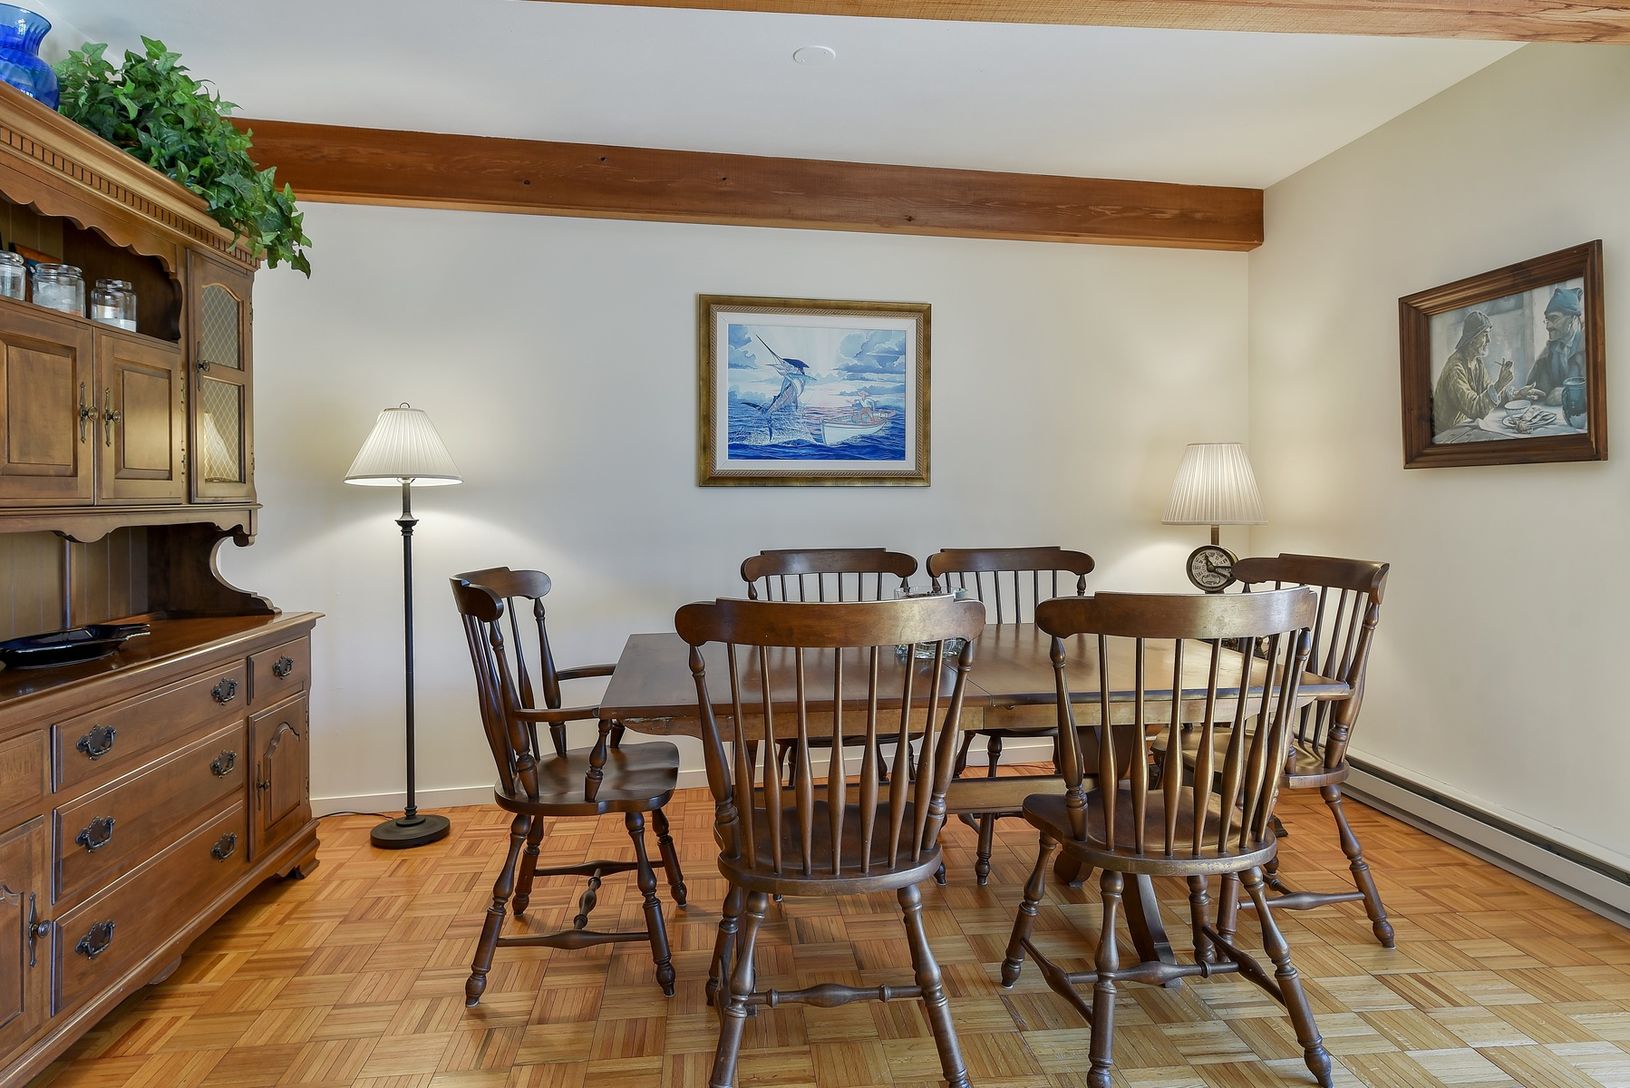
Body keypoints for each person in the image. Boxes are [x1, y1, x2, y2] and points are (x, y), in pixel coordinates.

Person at [1432, 310, 1513, 435]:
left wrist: (1516, 394)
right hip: (1445, 435)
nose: (1489, 340)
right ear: (1472, 338)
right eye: (1485, 335)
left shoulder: (1477, 362)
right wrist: (1499, 385)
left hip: (1464, 428)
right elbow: (1475, 409)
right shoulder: (1455, 368)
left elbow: (1488, 391)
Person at [1510, 286, 1585, 406]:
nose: (1548, 326)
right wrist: (1525, 394)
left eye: (1554, 318)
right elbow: (1538, 390)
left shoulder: (1589, 347)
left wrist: (1569, 394)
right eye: (1547, 320)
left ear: (1572, 319)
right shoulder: (1548, 353)